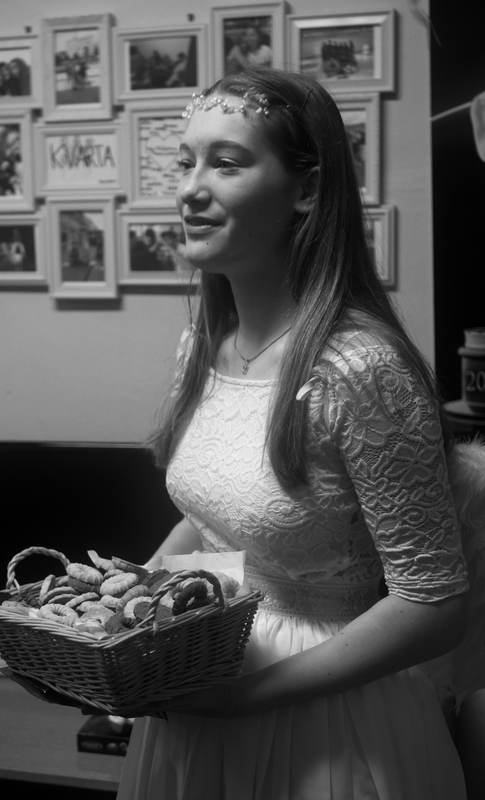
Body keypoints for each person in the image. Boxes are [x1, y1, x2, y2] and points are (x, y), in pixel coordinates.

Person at [115, 66, 470, 799]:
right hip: (206, 683)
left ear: (306, 190)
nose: (190, 189)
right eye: (185, 162)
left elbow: (432, 605)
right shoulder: (203, 345)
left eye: (226, 162)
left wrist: (244, 698)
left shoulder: (361, 370)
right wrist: (131, 607)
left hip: (326, 720)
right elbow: (217, 518)